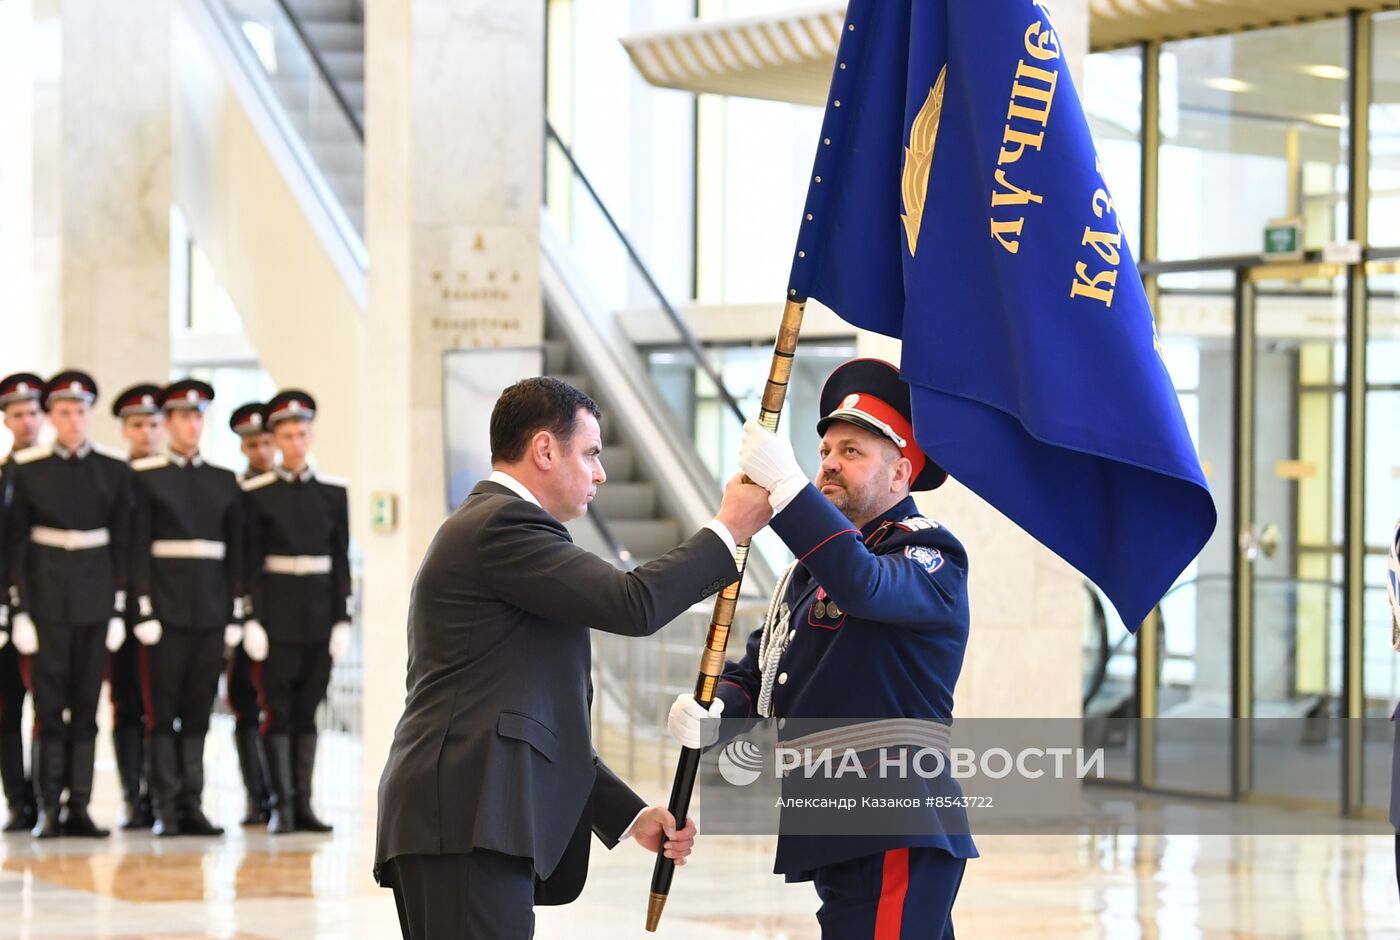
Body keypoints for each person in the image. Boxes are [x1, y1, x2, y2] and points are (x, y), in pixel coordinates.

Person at [373, 376, 773, 939]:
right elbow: (632, 603)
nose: (601, 473)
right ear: (543, 449)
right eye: (590, 454)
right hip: (466, 816)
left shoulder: (499, 531)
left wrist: (630, 817)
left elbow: (534, 716)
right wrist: (728, 529)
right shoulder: (501, 525)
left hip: (467, 817)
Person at [669, 358, 977, 939]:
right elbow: (762, 674)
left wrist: (787, 491)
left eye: (853, 451)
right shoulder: (813, 573)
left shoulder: (929, 555)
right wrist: (714, 713)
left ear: (900, 475)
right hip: (843, 825)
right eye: (827, 450)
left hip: (893, 823)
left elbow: (865, 585)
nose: (830, 462)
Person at [5, 371, 131, 838]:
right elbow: (15, 545)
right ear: (51, 416)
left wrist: (118, 606)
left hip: (95, 601)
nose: (74, 420)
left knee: (86, 706)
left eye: (81, 411)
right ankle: (46, 808)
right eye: (63, 412)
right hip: (46, 602)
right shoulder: (28, 467)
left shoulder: (113, 470)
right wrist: (17, 609)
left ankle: (79, 804)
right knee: (48, 708)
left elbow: (124, 543)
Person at [129, 379, 245, 837]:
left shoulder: (222, 480)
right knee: (162, 712)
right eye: (182, 417)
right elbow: (136, 548)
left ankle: (191, 802)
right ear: (167, 422)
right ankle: (163, 806)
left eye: (198, 416)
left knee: (199, 711)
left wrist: (235, 613)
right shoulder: (147, 477)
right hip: (164, 615)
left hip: (210, 615)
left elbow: (235, 552)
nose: (192, 425)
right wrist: (142, 609)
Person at [240, 390, 349, 835]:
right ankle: (281, 805)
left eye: (301, 433)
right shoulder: (256, 493)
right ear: (275, 439)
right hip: (276, 617)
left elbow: (340, 558)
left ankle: (304, 804)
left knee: (308, 711)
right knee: (277, 712)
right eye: (286, 435)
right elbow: (248, 562)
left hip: (320, 616)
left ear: (311, 434)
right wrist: (250, 617)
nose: (295, 442)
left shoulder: (333, 492)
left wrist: (343, 616)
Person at [109, 382, 165, 829]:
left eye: (152, 423)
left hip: (163, 612)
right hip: (118, 612)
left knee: (161, 707)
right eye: (136, 425)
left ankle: (160, 791)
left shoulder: (170, 479)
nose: (145, 433)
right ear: (124, 431)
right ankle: (133, 796)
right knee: (127, 704)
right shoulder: (114, 477)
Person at [0, 372, 45, 832]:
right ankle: (18, 799)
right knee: (7, 707)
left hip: (49, 606)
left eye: (34, 413)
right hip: (6, 613)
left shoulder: (59, 473)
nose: (27, 422)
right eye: (18, 415)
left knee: (49, 707)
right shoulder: (4, 475)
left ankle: (49, 796)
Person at [227, 401, 273, 825]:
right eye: (253, 444)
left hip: (282, 614)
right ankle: (254, 794)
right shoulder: (235, 491)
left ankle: (278, 793)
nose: (262, 451)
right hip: (245, 615)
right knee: (245, 703)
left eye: (266, 442)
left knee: (277, 707)